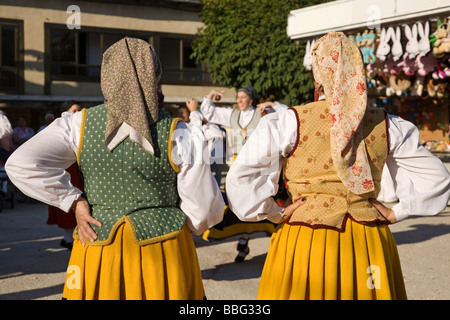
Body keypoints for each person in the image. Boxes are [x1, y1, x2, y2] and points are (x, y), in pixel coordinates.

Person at [226, 32, 450, 299]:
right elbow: (437, 178)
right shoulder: (387, 124)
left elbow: (240, 178)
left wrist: (274, 211)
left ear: (318, 75)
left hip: (306, 237)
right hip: (367, 240)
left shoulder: (288, 122)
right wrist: (397, 213)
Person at [6, 37, 224, 300]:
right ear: (154, 76)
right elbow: (203, 211)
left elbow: (20, 163)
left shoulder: (78, 124)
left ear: (106, 76)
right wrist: (178, 224)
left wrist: (74, 201)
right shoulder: (180, 132)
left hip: (98, 244)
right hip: (163, 250)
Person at [200, 86, 288, 262]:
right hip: (237, 167)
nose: (239, 100)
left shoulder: (262, 112)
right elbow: (208, 113)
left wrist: (271, 104)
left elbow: (286, 115)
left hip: (257, 167)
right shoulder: (232, 115)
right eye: (238, 97)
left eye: (243, 97)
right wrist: (210, 96)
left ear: (251, 99)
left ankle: (254, 240)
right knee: (239, 205)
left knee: (258, 202)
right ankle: (244, 239)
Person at [45, 101, 83, 250]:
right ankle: (68, 238)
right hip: (65, 167)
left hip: (76, 167)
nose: (78, 113)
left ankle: (69, 237)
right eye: (74, 110)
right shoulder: (58, 127)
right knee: (68, 200)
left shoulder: (81, 125)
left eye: (79, 110)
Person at [185, 98, 226, 187]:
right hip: (209, 149)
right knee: (208, 170)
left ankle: (217, 187)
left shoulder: (214, 126)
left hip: (217, 148)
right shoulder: (202, 127)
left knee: (218, 171)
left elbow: (222, 136)